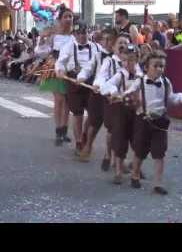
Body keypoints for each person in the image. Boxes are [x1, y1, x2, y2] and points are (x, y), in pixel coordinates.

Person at [122, 51, 182, 195]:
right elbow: (128, 93)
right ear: (146, 67)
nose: (159, 69)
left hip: (160, 121)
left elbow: (171, 97)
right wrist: (124, 96)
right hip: (143, 119)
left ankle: (158, 183)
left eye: (162, 66)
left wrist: (181, 99)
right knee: (140, 151)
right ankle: (135, 174)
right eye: (156, 66)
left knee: (160, 153)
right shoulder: (139, 81)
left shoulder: (166, 82)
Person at [100, 44, 143, 184]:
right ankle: (118, 171)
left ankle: (135, 168)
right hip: (122, 111)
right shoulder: (120, 74)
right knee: (120, 140)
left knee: (138, 141)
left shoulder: (141, 76)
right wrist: (114, 92)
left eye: (131, 60)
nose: (127, 63)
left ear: (137, 59)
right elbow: (107, 85)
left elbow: (141, 88)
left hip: (137, 112)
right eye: (124, 60)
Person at [55, 21, 99, 155]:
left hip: (91, 82)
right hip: (73, 81)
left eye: (84, 33)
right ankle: (79, 142)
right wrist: (60, 70)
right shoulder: (68, 47)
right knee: (78, 114)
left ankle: (85, 133)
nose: (82, 36)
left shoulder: (96, 47)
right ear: (74, 34)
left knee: (93, 115)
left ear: (88, 33)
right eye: (79, 33)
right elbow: (60, 62)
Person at [75, 27, 117, 162]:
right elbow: (88, 68)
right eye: (106, 39)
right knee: (94, 123)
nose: (108, 42)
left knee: (113, 126)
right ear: (102, 41)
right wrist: (81, 76)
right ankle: (88, 146)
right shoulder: (98, 55)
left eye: (111, 39)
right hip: (97, 93)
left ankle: (109, 154)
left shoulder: (120, 57)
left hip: (113, 95)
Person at [93, 33, 131, 171]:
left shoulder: (132, 63)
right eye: (120, 43)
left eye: (126, 43)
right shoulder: (108, 61)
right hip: (111, 100)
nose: (123, 45)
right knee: (112, 130)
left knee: (124, 131)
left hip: (126, 101)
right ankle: (109, 154)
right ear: (114, 47)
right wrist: (99, 84)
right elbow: (101, 76)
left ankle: (119, 160)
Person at [39, 5, 75, 146]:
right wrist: (42, 41)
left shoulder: (75, 36)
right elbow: (43, 50)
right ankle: (58, 130)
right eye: (65, 16)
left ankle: (64, 130)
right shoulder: (54, 35)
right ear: (60, 20)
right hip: (55, 67)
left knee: (67, 101)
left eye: (70, 17)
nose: (68, 19)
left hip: (70, 68)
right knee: (59, 99)